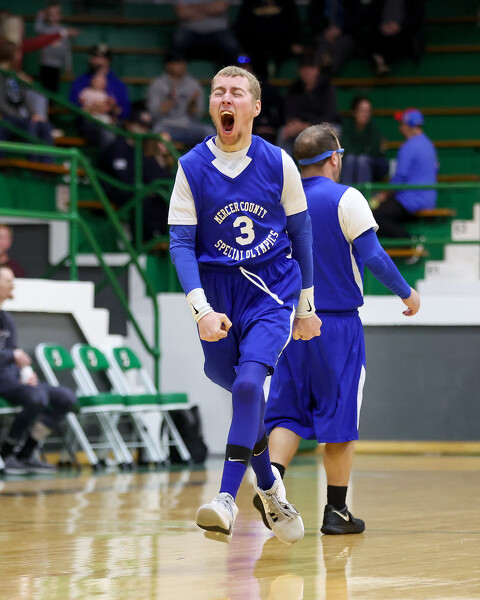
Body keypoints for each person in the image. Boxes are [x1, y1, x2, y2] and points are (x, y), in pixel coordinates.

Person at [168, 65, 322, 543]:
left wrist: (306, 307)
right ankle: (270, 485)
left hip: (269, 290)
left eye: (236, 92)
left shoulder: (278, 162)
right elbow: (180, 243)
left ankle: (226, 498)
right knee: (235, 386)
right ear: (211, 106)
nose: (226, 98)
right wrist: (201, 310)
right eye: (218, 92)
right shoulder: (191, 166)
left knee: (251, 382)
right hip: (217, 295)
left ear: (255, 107)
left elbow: (302, 236)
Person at [253, 122, 420, 534]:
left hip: (291, 323)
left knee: (287, 413)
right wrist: (406, 293)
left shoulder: (278, 202)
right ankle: (337, 511)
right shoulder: (347, 197)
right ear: (334, 158)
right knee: (339, 415)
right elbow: (374, 256)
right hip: (337, 326)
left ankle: (272, 489)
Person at [0, 266, 78, 475]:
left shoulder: (6, 318)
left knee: (66, 398)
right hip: (2, 381)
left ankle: (26, 452)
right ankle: (7, 452)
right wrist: (12, 356)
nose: (13, 285)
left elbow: (14, 352)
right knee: (38, 398)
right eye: (8, 281)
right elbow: (11, 353)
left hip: (14, 380)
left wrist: (26, 371)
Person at [97, 106, 172, 241]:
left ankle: (161, 237)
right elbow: (121, 178)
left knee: (161, 197)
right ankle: (146, 240)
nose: (144, 130)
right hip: (114, 189)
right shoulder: (118, 147)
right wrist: (145, 189)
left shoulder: (140, 149)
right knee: (144, 200)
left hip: (136, 189)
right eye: (140, 125)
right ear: (129, 125)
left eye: (147, 127)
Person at [372, 108, 438, 239]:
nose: (400, 127)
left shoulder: (408, 146)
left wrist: (384, 195)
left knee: (375, 216)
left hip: (411, 201)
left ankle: (409, 244)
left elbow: (400, 178)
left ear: (408, 126)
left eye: (401, 123)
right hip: (428, 200)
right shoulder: (429, 145)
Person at [146, 53, 215, 146]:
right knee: (156, 132)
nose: (182, 66)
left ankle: (212, 156)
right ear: (168, 65)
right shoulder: (157, 85)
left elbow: (197, 116)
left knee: (208, 131)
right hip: (165, 126)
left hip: (188, 126)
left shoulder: (193, 85)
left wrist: (192, 106)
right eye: (178, 63)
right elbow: (153, 115)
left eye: (183, 63)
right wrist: (170, 102)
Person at [69, 43, 130, 147]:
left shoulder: (118, 84)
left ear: (107, 60)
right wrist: (92, 108)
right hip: (89, 122)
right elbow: (72, 104)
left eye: (98, 57)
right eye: (92, 56)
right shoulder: (81, 81)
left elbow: (125, 111)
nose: (94, 60)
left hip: (112, 121)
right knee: (106, 131)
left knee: (118, 131)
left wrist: (112, 108)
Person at [279, 54, 341, 157]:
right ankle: (282, 165)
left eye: (311, 69)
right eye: (304, 69)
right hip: (299, 127)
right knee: (284, 131)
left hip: (321, 126)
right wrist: (294, 123)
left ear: (317, 70)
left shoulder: (327, 87)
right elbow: (289, 112)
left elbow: (329, 115)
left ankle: (329, 165)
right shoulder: (294, 88)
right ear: (299, 71)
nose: (308, 72)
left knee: (335, 130)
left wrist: (307, 125)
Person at [235, 0, 304, 79]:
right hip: (256, 46)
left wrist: (295, 42)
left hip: (282, 44)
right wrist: (243, 49)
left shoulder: (287, 2)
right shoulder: (249, 3)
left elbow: (294, 23)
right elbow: (242, 27)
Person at [170, 0, 241, 67]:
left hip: (219, 30)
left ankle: (231, 74)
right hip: (189, 29)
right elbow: (182, 13)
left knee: (231, 45)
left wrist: (193, 9)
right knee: (178, 42)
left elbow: (219, 8)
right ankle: (178, 74)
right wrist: (208, 10)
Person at [340, 95, 389, 185]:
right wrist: (364, 150)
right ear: (354, 112)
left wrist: (361, 153)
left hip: (376, 164)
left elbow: (376, 151)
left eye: (368, 111)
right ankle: (346, 191)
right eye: (362, 111)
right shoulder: (347, 126)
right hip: (354, 162)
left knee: (362, 160)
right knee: (350, 159)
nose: (365, 114)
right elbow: (345, 150)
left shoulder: (373, 127)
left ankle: (363, 192)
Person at [34, 2, 77, 93]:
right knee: (43, 89)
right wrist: (40, 16)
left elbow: (67, 49)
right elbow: (37, 28)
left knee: (53, 90)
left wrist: (68, 65)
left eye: (56, 13)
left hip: (57, 64)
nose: (53, 15)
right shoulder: (45, 29)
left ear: (60, 15)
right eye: (51, 13)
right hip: (45, 62)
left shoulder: (64, 31)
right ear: (47, 15)